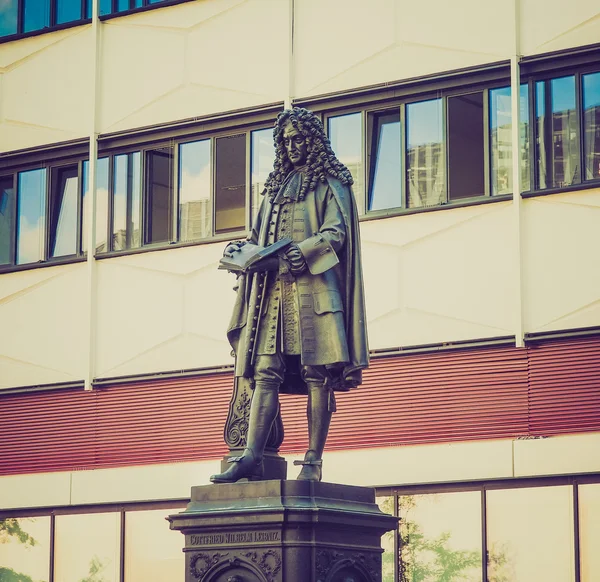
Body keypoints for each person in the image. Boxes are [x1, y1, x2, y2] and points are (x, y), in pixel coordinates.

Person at [210, 107, 368, 484]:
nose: (292, 146)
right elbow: (257, 237)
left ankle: (313, 460)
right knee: (265, 370)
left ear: (312, 141)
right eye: (286, 141)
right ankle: (250, 455)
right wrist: (241, 252)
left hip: (314, 293)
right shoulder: (275, 188)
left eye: (298, 139)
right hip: (272, 296)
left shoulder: (332, 183)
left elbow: (336, 232)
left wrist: (305, 250)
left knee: (317, 374)